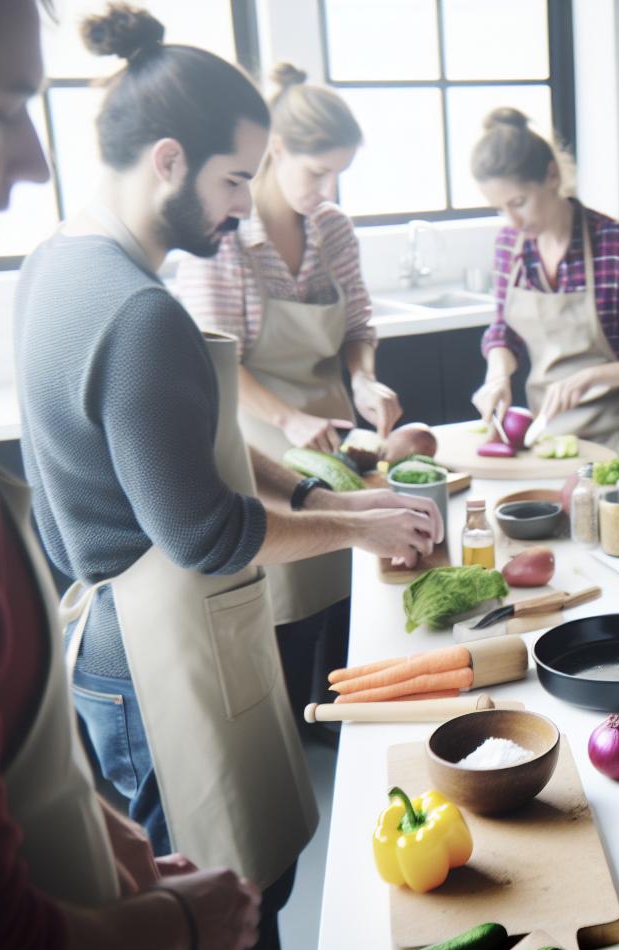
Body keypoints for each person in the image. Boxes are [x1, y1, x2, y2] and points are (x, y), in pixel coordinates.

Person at [14, 7, 440, 950]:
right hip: (157, 649)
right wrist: (358, 527)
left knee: (224, 892)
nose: (242, 211)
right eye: (235, 179)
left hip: (119, 641)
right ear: (169, 159)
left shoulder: (60, 265)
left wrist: (322, 492)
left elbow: (190, 440)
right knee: (222, 917)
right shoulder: (140, 310)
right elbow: (204, 529)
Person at [0, 1, 260, 950]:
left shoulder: (54, 264)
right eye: (4, 106)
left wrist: (82, 811)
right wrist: (183, 930)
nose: (36, 160)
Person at [175, 62, 391, 723]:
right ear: (275, 150)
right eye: (317, 171)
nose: (327, 189)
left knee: (354, 575)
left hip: (332, 426)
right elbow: (216, 362)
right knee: (291, 588)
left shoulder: (333, 230)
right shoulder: (225, 241)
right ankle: (292, 722)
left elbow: (357, 325)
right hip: (261, 433)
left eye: (338, 174)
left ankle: (342, 713)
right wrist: (287, 419)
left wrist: (363, 376)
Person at [470, 107, 619, 450]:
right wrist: (497, 375)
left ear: (552, 176)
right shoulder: (509, 245)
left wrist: (592, 377)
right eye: (500, 209)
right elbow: (503, 331)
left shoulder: (617, 246)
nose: (512, 221)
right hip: (547, 438)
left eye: (519, 202)